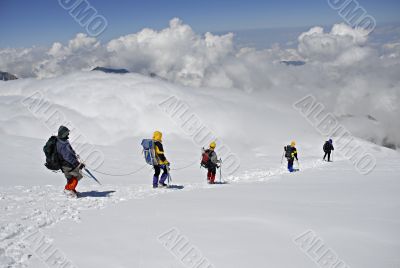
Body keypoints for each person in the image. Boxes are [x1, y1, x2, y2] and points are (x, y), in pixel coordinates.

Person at [56, 126, 85, 195]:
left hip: (65, 164)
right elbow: (67, 157)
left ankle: (71, 190)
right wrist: (78, 164)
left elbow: (69, 153)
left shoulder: (61, 140)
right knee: (77, 176)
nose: (68, 135)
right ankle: (68, 189)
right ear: (63, 134)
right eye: (67, 133)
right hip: (67, 165)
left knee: (70, 178)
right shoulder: (63, 144)